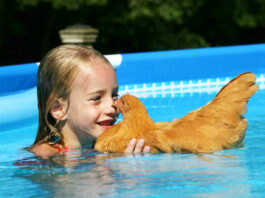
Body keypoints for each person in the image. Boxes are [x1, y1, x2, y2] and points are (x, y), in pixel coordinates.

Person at [29, 44, 150, 157]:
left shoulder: (114, 142)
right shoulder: (46, 155)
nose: (112, 106)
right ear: (59, 109)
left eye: (114, 95)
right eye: (96, 98)